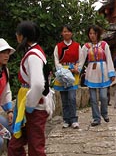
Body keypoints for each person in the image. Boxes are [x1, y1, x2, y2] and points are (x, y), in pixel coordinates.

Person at [8, 21, 50, 156]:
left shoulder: (33, 56)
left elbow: (38, 84)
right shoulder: (35, 52)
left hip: (34, 106)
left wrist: (29, 104)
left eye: (17, 33)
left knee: (35, 147)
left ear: (22, 36)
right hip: (29, 104)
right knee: (16, 144)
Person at [79, 25, 115, 126]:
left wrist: (111, 73)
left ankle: (104, 113)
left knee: (103, 97)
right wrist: (77, 70)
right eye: (90, 33)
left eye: (94, 33)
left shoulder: (104, 45)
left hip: (103, 72)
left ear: (98, 34)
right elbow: (81, 60)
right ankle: (96, 118)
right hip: (91, 73)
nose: (92, 35)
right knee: (93, 99)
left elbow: (109, 58)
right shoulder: (86, 46)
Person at [53, 25, 82, 129]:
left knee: (72, 97)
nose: (66, 33)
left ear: (71, 33)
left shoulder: (77, 46)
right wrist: (62, 71)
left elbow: (80, 60)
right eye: (64, 31)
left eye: (68, 31)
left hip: (73, 72)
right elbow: (56, 60)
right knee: (64, 98)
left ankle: (74, 119)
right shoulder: (58, 46)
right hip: (62, 72)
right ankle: (66, 119)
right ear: (62, 33)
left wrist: (76, 69)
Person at [0, 39, 15, 152]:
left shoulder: (5, 71)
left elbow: (6, 92)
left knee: (13, 128)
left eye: (7, 53)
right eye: (3, 52)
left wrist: (9, 111)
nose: (6, 56)